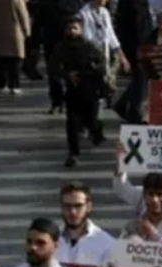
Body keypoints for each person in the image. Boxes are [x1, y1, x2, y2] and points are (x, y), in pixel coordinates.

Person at [52, 15, 107, 168]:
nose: (72, 31)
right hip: (73, 92)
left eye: (75, 28)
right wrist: (67, 75)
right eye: (69, 28)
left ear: (81, 29)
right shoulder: (61, 48)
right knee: (72, 123)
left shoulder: (90, 46)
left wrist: (92, 69)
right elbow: (54, 68)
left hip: (90, 90)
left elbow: (102, 65)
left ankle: (97, 129)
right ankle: (73, 153)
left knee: (91, 121)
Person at [54, 182, 115, 266]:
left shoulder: (107, 244)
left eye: (78, 206)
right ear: (61, 207)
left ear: (88, 207)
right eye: (67, 206)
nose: (72, 212)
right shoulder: (50, 240)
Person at [0, 0, 31, 94]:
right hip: (15, 32)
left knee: (0, 59)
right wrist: (27, 31)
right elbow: (23, 16)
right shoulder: (17, 1)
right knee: (15, 60)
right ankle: (14, 85)